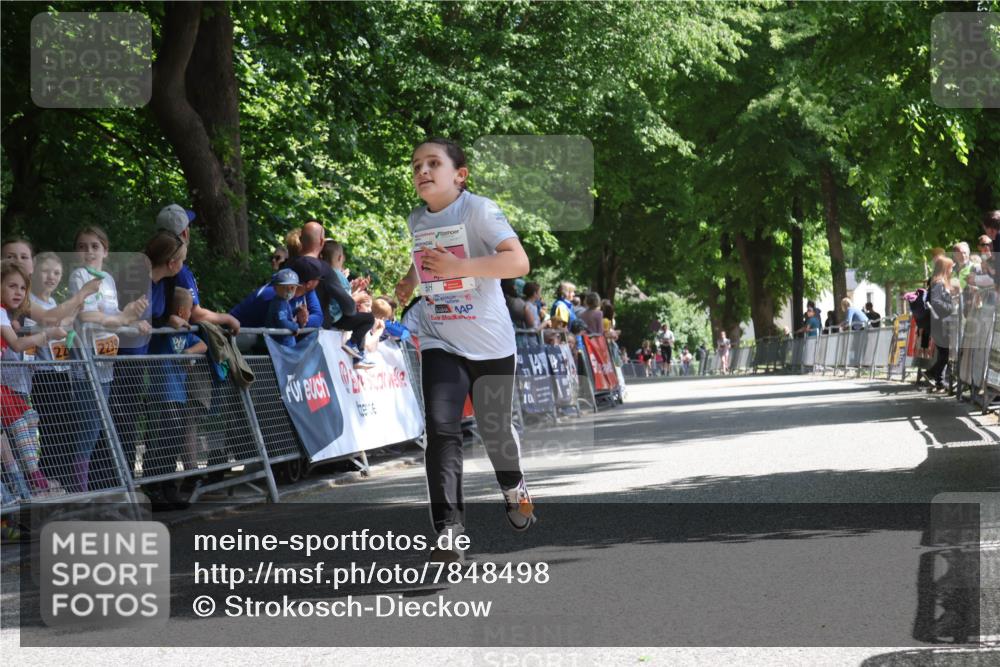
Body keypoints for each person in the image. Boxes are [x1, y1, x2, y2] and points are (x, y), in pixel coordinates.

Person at [393, 137, 535, 561]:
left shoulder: (480, 210)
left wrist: (461, 267)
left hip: (489, 341)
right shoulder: (416, 218)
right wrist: (411, 280)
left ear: (460, 175)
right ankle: (449, 530)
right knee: (441, 430)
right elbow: (424, 256)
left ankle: (514, 489)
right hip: (440, 335)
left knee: (494, 431)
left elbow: (518, 262)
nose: (422, 171)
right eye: (416, 165)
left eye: (432, 163)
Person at [69, 226, 149, 492]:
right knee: (88, 427)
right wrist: (124, 318)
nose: (89, 251)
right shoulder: (80, 276)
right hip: (86, 363)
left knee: (97, 428)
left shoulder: (108, 280)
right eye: (82, 247)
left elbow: (113, 316)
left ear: (106, 251)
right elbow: (87, 317)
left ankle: (87, 487)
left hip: (106, 363)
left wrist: (134, 324)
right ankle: (80, 490)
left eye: (95, 246)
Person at [1, 260, 66, 494]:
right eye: (12, 286)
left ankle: (26, 480)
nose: (18, 292)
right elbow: (17, 345)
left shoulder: (5, 314)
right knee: (18, 423)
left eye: (22, 288)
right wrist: (46, 335)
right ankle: (33, 479)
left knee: (30, 416)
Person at [146, 287, 208, 507]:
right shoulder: (163, 331)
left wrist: (189, 352)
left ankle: (169, 488)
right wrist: (170, 321)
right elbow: (155, 327)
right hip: (161, 395)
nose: (192, 314)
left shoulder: (185, 333)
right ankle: (153, 489)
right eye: (190, 310)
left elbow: (203, 344)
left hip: (179, 396)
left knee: (173, 443)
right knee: (158, 443)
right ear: (182, 311)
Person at [30, 252, 85, 489]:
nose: (51, 277)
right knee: (51, 427)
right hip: (43, 373)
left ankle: (60, 478)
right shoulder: (31, 302)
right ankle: (48, 478)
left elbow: (62, 327)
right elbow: (45, 325)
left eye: (56, 273)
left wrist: (72, 316)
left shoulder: (54, 302)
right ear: (35, 272)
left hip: (61, 371)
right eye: (46, 271)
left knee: (66, 426)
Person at [154, 204, 240, 334]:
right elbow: (196, 315)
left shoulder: (150, 263)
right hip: (171, 340)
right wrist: (228, 319)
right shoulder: (177, 269)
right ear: (185, 233)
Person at [2, 238, 101, 326]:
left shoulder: (26, 294)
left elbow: (57, 322)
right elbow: (47, 318)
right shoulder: (17, 295)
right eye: (10, 257)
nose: (18, 261)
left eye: (24, 257)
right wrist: (83, 293)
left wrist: (75, 309)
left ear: (33, 263)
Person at [317, 240, 377, 367]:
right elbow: (347, 304)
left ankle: (358, 355)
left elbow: (341, 297)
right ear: (340, 257)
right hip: (337, 317)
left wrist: (355, 290)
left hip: (329, 316)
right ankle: (352, 344)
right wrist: (357, 297)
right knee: (368, 318)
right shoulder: (338, 275)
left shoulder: (321, 272)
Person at [927, 255, 956, 392]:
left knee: (943, 353)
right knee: (945, 353)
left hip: (939, 322)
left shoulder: (938, 282)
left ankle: (939, 381)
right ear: (945, 268)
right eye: (950, 268)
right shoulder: (938, 283)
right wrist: (951, 307)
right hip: (940, 323)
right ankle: (932, 374)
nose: (952, 270)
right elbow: (936, 302)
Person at [264, 268, 302, 347]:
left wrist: (296, 311)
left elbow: (284, 314)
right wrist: (295, 326)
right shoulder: (279, 303)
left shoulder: (282, 301)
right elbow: (282, 321)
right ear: (275, 288)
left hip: (283, 343)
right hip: (281, 345)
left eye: (292, 288)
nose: (289, 291)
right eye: (284, 287)